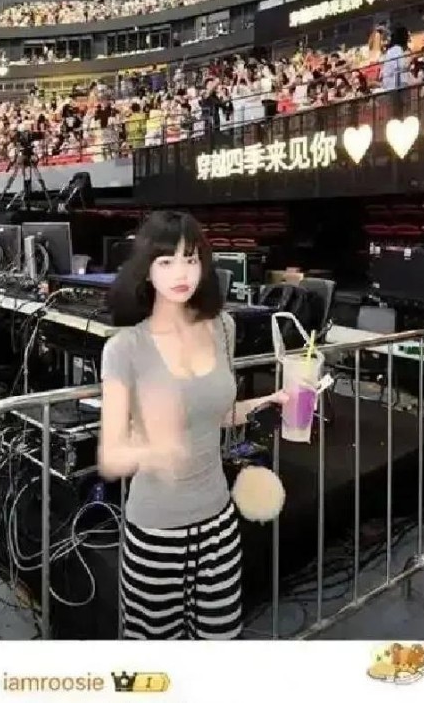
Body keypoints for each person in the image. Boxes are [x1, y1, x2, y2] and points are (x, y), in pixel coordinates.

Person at [98, 210, 289, 640]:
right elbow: (112, 455)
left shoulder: (223, 327)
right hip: (156, 529)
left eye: (190, 259)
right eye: (166, 261)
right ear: (146, 270)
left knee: (221, 640)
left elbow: (218, 414)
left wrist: (268, 402)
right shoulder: (125, 348)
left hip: (219, 522)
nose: (181, 273)